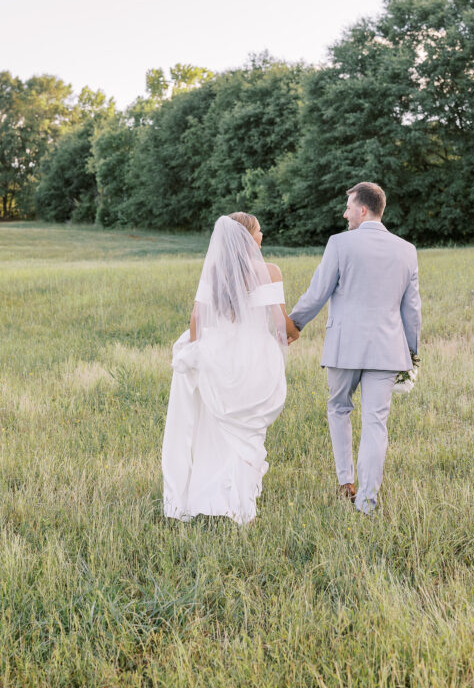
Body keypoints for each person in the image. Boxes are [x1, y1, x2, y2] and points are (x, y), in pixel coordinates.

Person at [289, 182, 421, 514]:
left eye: (348, 206)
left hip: (344, 346)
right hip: (387, 349)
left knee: (339, 409)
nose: (345, 213)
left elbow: (318, 292)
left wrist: (293, 324)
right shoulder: (406, 249)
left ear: (363, 209)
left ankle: (346, 480)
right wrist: (411, 352)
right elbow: (412, 310)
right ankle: (366, 502)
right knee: (376, 422)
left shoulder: (339, 244)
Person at [162, 213, 299, 524]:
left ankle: (208, 496)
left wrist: (197, 352)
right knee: (249, 432)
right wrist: (295, 330)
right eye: (259, 229)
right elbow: (281, 326)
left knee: (216, 432)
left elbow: (196, 318)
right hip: (254, 357)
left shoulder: (215, 272)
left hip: (220, 356)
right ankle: (238, 500)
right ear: (248, 236)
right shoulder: (270, 271)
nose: (262, 234)